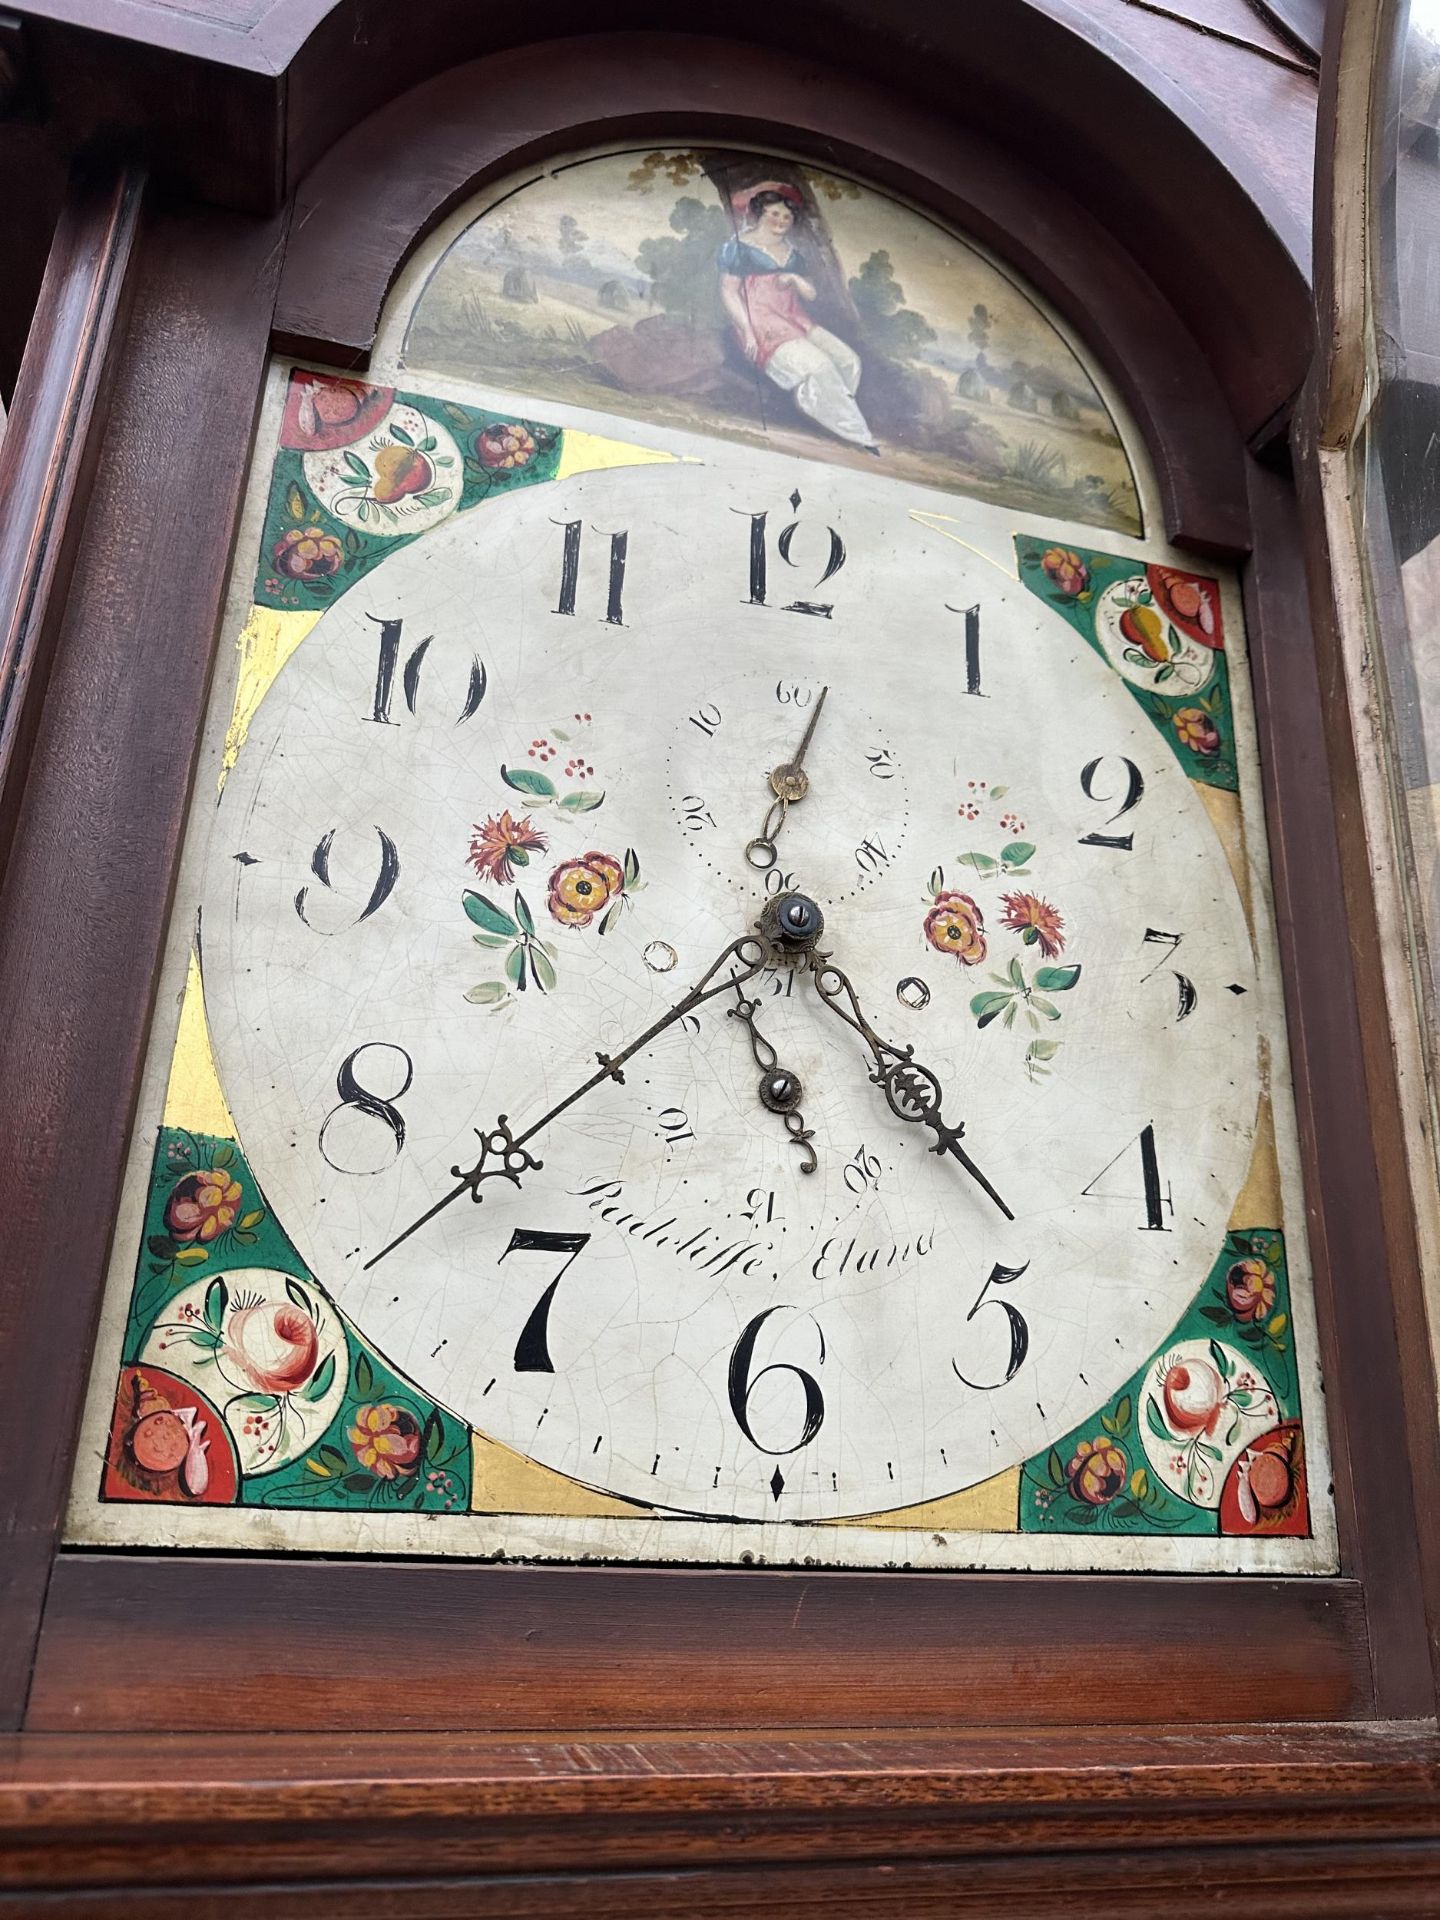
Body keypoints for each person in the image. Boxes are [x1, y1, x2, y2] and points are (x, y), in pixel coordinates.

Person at [717, 183, 879, 453]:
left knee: (849, 361)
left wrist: (794, 278)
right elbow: (728, 291)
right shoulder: (739, 247)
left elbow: (811, 294)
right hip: (762, 322)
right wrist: (746, 330)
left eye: (787, 217)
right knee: (821, 368)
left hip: (795, 319)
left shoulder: (792, 254)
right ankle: (860, 436)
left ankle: (828, 411)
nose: (781, 221)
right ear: (760, 213)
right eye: (775, 214)